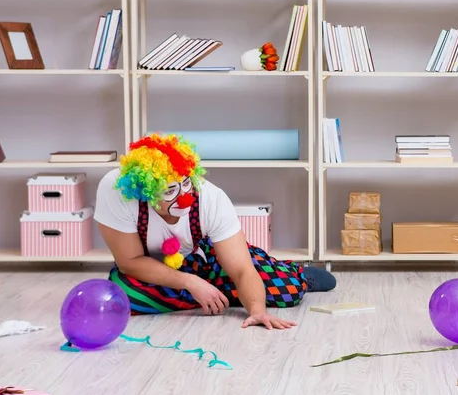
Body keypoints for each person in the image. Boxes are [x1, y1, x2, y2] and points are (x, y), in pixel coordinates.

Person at [94, 133, 336, 330]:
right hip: (152, 267)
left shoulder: (211, 198)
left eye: (186, 184)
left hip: (207, 259)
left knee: (287, 291)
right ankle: (219, 292)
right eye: (169, 192)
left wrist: (257, 311)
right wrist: (190, 283)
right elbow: (130, 262)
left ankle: (292, 273)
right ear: (144, 192)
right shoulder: (117, 191)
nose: (184, 198)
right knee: (123, 299)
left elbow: (241, 269)